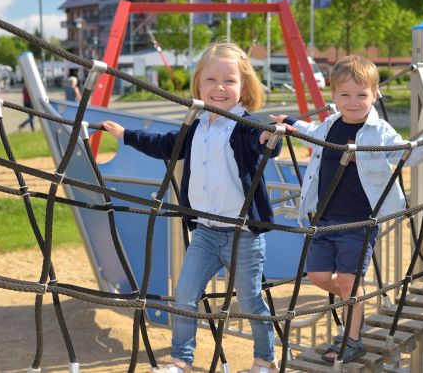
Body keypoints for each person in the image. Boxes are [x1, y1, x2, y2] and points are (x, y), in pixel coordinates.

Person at [101, 41, 294, 373]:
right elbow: (165, 145)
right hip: (205, 232)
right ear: (198, 84)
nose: (219, 87)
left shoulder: (245, 125)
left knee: (249, 302)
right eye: (211, 80)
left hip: (242, 234)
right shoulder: (197, 123)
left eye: (229, 81)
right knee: (185, 295)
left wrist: (269, 139)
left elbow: (261, 143)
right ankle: (181, 361)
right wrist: (125, 135)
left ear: (244, 86)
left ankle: (265, 361)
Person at [271, 55, 423, 364]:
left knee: (348, 282)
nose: (353, 102)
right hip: (324, 219)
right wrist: (289, 123)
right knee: (317, 276)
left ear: (374, 94)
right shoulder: (330, 125)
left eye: (361, 94)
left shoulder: (379, 131)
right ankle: (354, 296)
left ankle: (351, 339)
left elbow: (404, 154)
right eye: (345, 95)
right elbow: (309, 131)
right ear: (334, 97)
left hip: (360, 221)